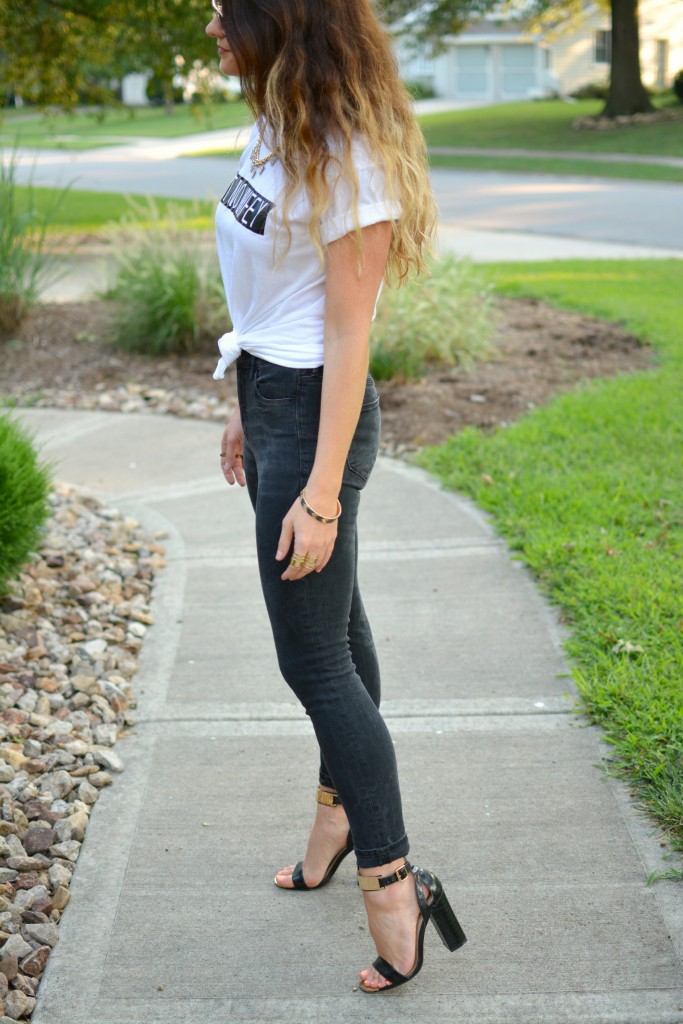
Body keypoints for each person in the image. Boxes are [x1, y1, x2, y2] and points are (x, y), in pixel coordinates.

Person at [206, 0, 466, 993]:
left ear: (283, 20)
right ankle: (334, 815)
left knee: (311, 658)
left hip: (319, 418)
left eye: (227, 13)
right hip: (273, 402)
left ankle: (394, 884)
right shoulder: (275, 123)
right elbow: (274, 295)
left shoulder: (348, 154)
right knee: (340, 633)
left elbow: (350, 334)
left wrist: (317, 494)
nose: (213, 30)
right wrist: (242, 402)